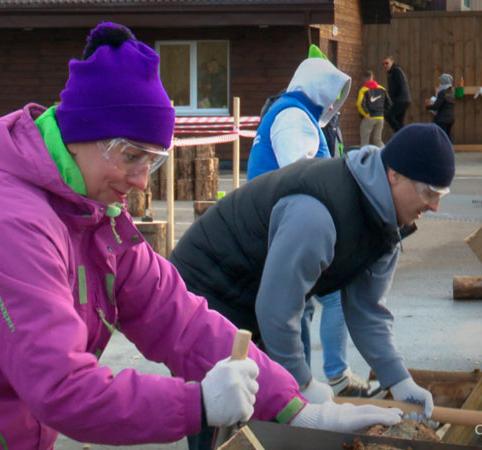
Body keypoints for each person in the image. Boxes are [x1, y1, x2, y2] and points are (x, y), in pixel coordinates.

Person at [0, 22, 401, 450]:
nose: (138, 180)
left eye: (152, 161)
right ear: (79, 136)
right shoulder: (8, 222)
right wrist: (195, 403)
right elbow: (61, 386)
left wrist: (295, 404)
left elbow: (180, 318)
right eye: (130, 156)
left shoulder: (94, 220)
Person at [171, 123, 451, 434]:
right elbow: (277, 309)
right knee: (222, 406)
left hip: (255, 293)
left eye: (442, 195)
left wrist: (399, 380)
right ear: (393, 174)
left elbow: (368, 311)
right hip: (205, 285)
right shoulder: (317, 213)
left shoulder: (386, 228)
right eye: (429, 192)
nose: (434, 206)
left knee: (262, 408)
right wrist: (301, 382)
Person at [245, 52, 379, 403]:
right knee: (323, 297)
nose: (335, 101)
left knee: (299, 305)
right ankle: (314, 381)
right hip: (284, 226)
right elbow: (300, 175)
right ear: (319, 88)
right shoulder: (293, 117)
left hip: (281, 224)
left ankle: (297, 383)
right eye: (332, 92)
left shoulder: (294, 113)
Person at [357, 70, 392, 147]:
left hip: (369, 117)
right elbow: (389, 103)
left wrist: (365, 113)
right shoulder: (382, 89)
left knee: (365, 141)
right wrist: (383, 113)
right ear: (372, 77)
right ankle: (385, 154)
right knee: (377, 140)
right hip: (380, 117)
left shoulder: (363, 90)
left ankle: (364, 157)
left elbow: (359, 104)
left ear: (363, 79)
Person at [382, 56, 411, 133]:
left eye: (387, 63)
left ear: (392, 62)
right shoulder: (394, 71)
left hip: (400, 100)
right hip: (404, 99)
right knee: (399, 121)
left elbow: (397, 86)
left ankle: (401, 133)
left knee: (388, 115)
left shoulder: (395, 71)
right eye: (383, 64)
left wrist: (390, 100)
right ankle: (401, 136)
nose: (385, 65)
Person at [426, 74, 456, 141]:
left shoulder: (442, 93)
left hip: (442, 118)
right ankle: (449, 149)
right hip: (451, 118)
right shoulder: (451, 92)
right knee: (447, 135)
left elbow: (436, 106)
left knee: (440, 136)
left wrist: (428, 107)